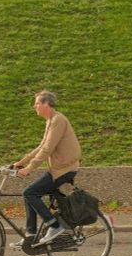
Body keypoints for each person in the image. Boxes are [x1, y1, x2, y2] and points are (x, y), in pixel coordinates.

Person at [11, 90, 81, 247]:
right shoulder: (51, 120)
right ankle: (31, 235)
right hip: (58, 168)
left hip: (64, 169)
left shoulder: (58, 120)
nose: (34, 106)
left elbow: (48, 149)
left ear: (46, 104)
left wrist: (30, 168)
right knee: (30, 194)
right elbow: (42, 146)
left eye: (37, 103)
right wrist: (22, 162)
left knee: (29, 192)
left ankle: (54, 226)